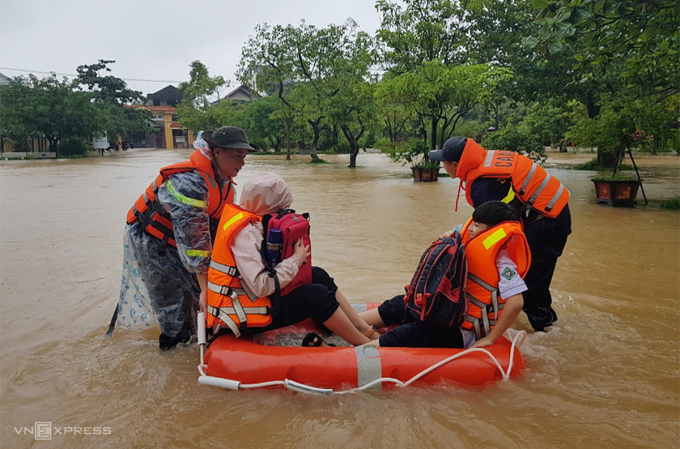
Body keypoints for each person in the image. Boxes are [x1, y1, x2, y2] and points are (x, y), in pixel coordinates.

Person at [110, 126, 256, 350]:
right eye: (237, 156)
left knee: (200, 298)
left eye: (244, 157)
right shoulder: (188, 184)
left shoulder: (225, 184)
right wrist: (207, 291)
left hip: (186, 243)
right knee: (176, 310)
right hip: (155, 241)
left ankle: (201, 339)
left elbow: (217, 233)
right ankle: (172, 354)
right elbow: (195, 245)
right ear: (216, 152)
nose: (242, 163)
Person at [202, 172, 379, 347]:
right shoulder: (245, 233)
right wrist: (296, 259)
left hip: (247, 297)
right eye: (279, 210)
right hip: (239, 314)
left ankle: (361, 327)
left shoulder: (252, 219)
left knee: (317, 275)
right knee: (316, 295)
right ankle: (366, 345)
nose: (282, 215)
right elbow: (263, 285)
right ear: (267, 206)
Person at [429, 137, 571, 331]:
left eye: (443, 162)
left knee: (529, 289)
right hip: (551, 214)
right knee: (533, 282)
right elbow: (492, 218)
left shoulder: (483, 184)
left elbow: (492, 224)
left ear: (455, 164)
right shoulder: (484, 164)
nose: (442, 165)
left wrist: (458, 234)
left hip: (547, 221)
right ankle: (546, 326)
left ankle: (547, 338)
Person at [360, 201, 530, 349]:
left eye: (477, 224)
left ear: (494, 230)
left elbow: (517, 302)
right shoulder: (467, 239)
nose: (470, 228)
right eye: (473, 222)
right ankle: (348, 324)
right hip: (449, 314)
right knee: (398, 304)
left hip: (464, 332)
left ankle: (356, 352)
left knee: (410, 334)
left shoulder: (504, 262)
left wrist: (490, 339)